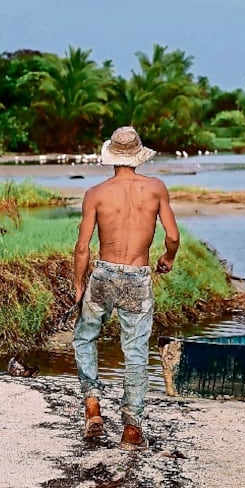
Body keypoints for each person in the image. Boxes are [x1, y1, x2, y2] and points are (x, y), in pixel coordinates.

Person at [71, 126, 180, 450]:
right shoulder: (156, 188)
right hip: (137, 276)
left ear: (112, 157)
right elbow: (173, 237)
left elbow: (82, 248)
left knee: (85, 336)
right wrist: (168, 258)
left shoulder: (95, 193)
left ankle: (92, 405)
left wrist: (79, 285)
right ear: (138, 157)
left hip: (104, 274)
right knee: (135, 351)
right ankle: (131, 429)